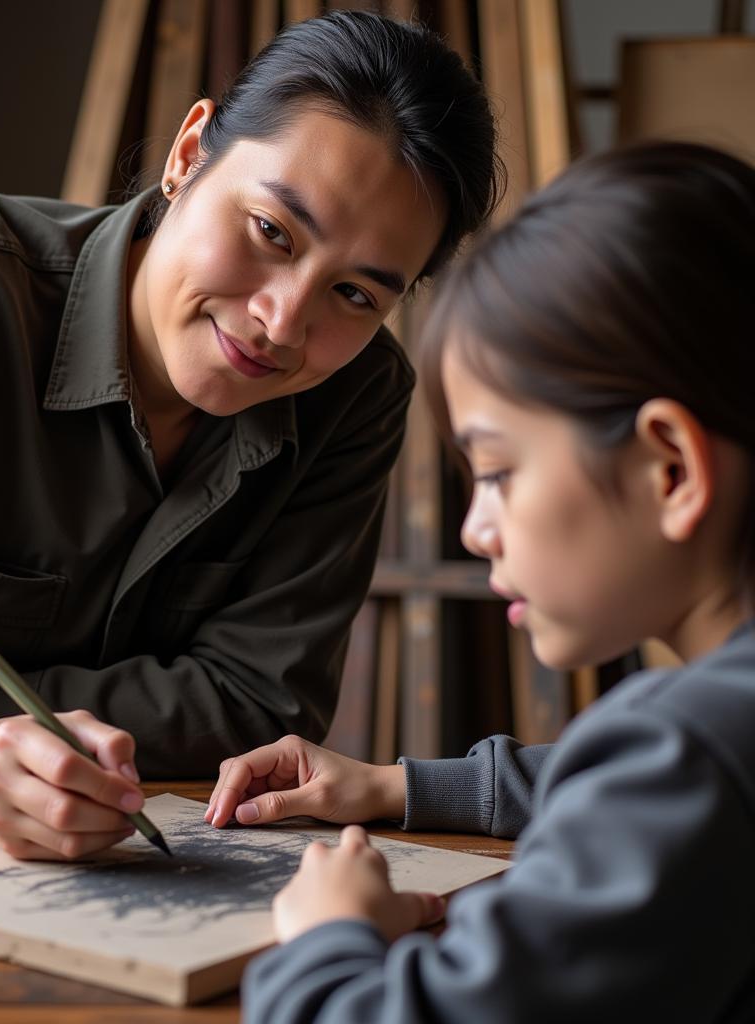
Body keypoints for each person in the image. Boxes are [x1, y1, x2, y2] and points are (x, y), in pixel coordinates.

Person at [0, 11, 501, 861]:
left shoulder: (357, 395)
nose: (283, 323)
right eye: (272, 232)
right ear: (187, 155)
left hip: (166, 855)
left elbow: (264, 708)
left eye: (356, 295)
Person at [207, 141, 755, 1022]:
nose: (475, 527)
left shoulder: (688, 754)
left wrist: (325, 938)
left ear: (670, 471)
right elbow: (617, 786)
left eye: (498, 473)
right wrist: (394, 787)